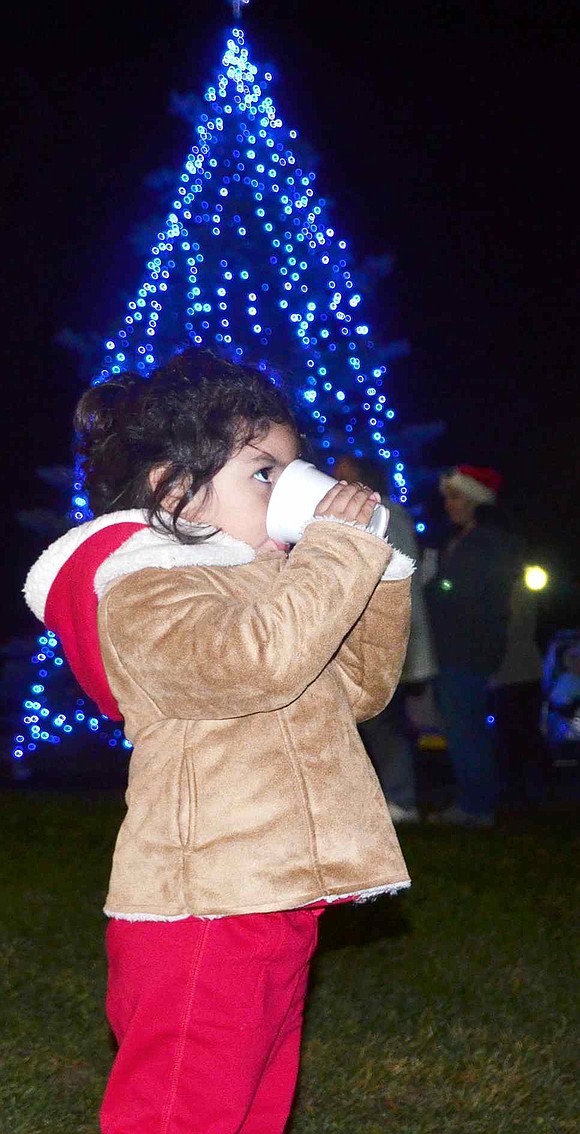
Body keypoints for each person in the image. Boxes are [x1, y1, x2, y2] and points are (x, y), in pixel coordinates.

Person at [23, 347, 414, 1134]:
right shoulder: (146, 586)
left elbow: (357, 691)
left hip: (275, 897)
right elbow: (256, 664)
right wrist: (335, 553)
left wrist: (384, 575)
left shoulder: (274, 591)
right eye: (264, 474)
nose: (285, 494)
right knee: (184, 1112)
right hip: (202, 908)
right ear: (177, 491)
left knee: (252, 1109)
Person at [334, 453, 438, 823]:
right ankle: (389, 795)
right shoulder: (376, 518)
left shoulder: (386, 518)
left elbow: (392, 577)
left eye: (347, 478)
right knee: (377, 723)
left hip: (384, 639)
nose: (339, 484)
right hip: (369, 639)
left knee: (384, 722)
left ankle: (401, 798)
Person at [425, 464, 519, 827]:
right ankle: (474, 800)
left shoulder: (485, 543)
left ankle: (477, 806)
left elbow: (461, 592)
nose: (448, 504)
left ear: (475, 500)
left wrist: (434, 585)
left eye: (456, 496)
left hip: (465, 650)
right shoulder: (466, 540)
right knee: (463, 726)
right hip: (458, 648)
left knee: (466, 727)